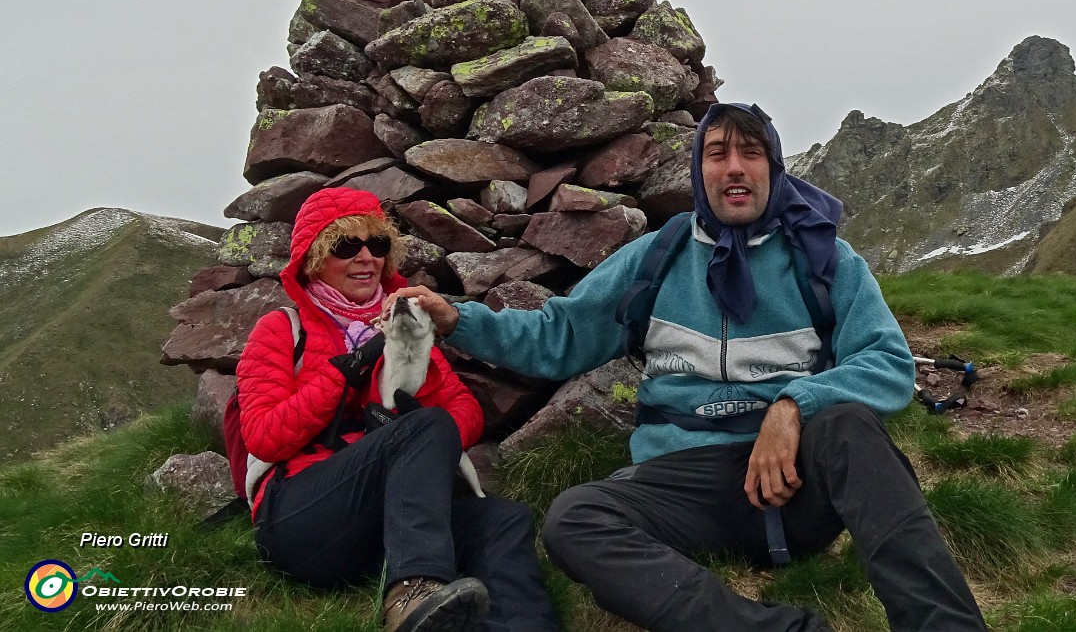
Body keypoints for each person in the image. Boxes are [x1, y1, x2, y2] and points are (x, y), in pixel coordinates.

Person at [394, 104, 989, 632]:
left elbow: (887, 362)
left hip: (792, 477)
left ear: (773, 168)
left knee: (853, 429)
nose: (734, 167)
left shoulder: (824, 258)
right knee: (575, 519)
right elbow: (562, 337)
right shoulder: (659, 255)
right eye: (717, 153)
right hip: (681, 482)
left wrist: (792, 406)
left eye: (751, 153)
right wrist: (459, 321)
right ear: (699, 171)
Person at [237, 186, 560, 632]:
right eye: (346, 246)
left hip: (385, 523)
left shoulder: (406, 322)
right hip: (302, 521)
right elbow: (263, 436)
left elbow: (464, 411)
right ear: (313, 258)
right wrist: (349, 369)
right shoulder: (280, 329)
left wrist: (401, 418)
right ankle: (412, 593)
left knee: (502, 520)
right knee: (423, 427)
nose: (366, 257)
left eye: (378, 244)